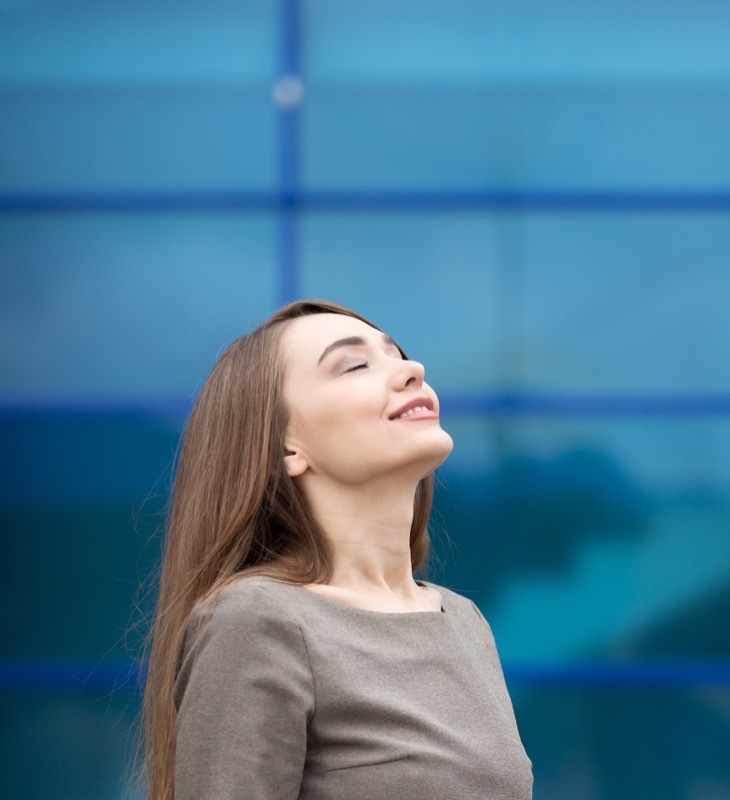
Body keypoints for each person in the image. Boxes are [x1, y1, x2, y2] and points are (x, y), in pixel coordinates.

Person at [139, 300, 532, 800]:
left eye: (397, 355)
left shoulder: (463, 621)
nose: (412, 370)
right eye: (356, 364)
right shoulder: (259, 620)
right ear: (285, 447)